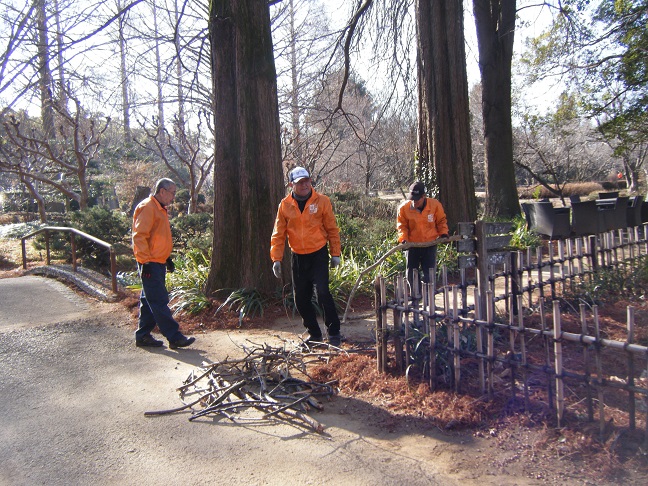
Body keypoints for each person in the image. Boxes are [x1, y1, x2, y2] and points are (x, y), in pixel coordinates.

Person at [270, 167, 343, 346]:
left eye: (307, 181)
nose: (305, 185)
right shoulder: (285, 205)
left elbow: (332, 229)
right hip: (298, 257)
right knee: (301, 298)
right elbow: (278, 234)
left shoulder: (322, 201)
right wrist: (276, 259)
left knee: (323, 293)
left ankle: (334, 333)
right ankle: (315, 334)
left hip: (318, 253)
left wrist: (335, 254)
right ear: (291, 185)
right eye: (300, 182)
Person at [132, 178, 195, 349]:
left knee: (149, 301)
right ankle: (174, 336)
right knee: (159, 300)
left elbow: (156, 237)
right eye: (172, 193)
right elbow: (140, 236)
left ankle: (143, 335)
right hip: (149, 263)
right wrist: (145, 262)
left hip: (156, 261)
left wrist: (166, 258)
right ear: (162, 191)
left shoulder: (159, 208)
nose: (173, 197)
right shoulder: (148, 207)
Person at [397, 181, 449, 290]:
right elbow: (402, 226)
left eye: (417, 199)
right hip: (412, 245)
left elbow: (441, 221)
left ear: (423, 196)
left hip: (430, 244)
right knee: (411, 274)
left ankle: (429, 297)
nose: (414, 202)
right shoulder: (403, 208)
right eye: (412, 199)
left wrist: (443, 233)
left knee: (429, 273)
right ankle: (416, 297)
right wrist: (404, 239)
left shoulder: (435, 205)